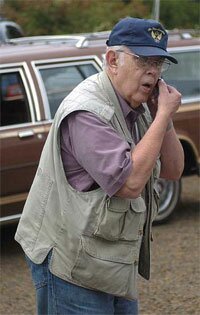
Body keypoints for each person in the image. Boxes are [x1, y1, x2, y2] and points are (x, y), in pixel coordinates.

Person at [15, 17, 184, 315]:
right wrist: (160, 118)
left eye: (159, 62)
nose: (153, 71)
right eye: (143, 59)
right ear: (112, 60)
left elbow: (173, 170)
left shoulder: (139, 104)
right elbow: (129, 184)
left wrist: (164, 118)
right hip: (70, 265)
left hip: (110, 263)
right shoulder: (87, 111)